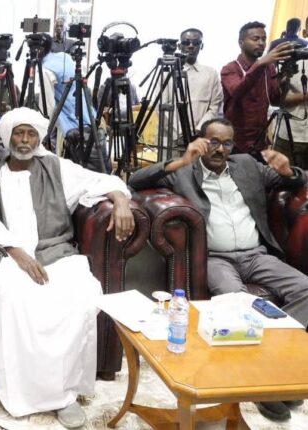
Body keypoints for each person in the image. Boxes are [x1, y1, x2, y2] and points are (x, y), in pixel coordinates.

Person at [129, 117, 308, 422]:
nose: (220, 149)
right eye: (213, 141)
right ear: (201, 141)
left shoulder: (247, 166)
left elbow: (295, 180)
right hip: (217, 258)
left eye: (226, 143)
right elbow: (135, 179)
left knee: (305, 288)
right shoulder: (185, 170)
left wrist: (288, 170)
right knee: (238, 302)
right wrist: (181, 160)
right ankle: (262, 385)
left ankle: (273, 361)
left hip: (257, 254)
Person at [0, 107, 134, 427]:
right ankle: (24, 393)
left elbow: (102, 180)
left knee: (82, 294)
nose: (25, 140)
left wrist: (121, 201)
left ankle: (64, 395)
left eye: (31, 134)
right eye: (19, 133)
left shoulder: (57, 167)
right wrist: (17, 252)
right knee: (17, 298)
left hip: (56, 252)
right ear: (8, 138)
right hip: (7, 255)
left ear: (39, 139)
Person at [221, 22, 293, 159]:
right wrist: (260, 64)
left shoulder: (268, 68)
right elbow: (237, 92)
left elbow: (275, 100)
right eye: (255, 39)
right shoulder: (230, 69)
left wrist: (284, 82)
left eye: (264, 39)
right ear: (241, 42)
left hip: (260, 141)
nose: (261, 43)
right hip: (235, 143)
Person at [163, 28, 223, 145]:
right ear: (179, 46)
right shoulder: (166, 72)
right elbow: (161, 107)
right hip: (171, 140)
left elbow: (215, 105)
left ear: (201, 46)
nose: (191, 46)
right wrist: (180, 133)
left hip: (200, 138)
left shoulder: (211, 74)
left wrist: (199, 130)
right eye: (186, 42)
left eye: (196, 43)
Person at [273, 59, 308, 168]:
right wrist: (305, 97)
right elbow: (275, 99)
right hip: (290, 134)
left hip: (295, 133)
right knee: (284, 175)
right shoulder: (290, 58)